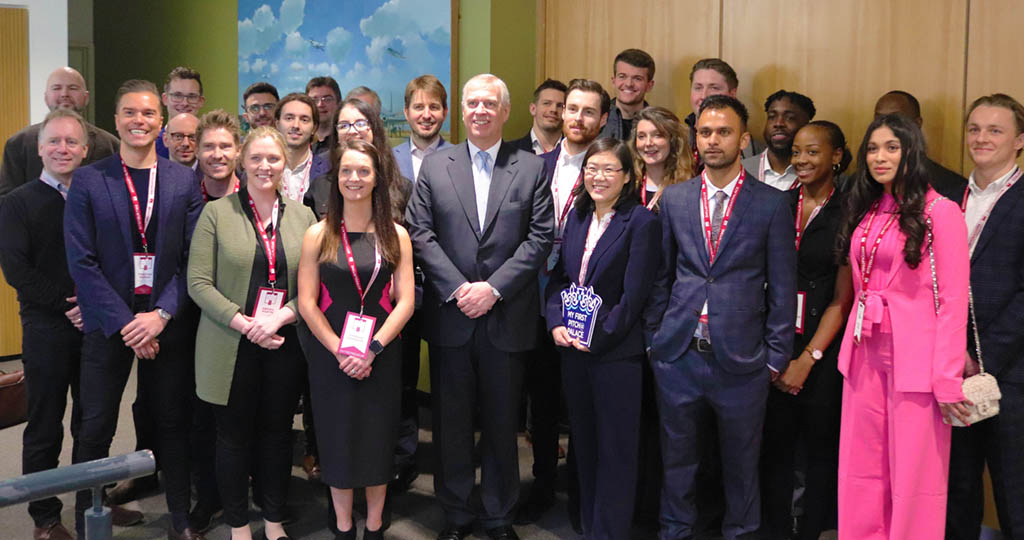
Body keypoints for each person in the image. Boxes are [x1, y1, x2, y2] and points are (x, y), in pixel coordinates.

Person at [405, 73, 554, 540]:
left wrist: (493, 289)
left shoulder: (530, 166)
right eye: (472, 103)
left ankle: (497, 515)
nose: (480, 110)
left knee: (501, 424)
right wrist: (459, 289)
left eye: (490, 103)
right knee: (450, 426)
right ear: (461, 110)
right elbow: (420, 232)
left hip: (506, 318)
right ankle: (456, 514)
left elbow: (540, 237)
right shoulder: (436, 165)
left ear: (506, 111)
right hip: (452, 318)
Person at [646, 94, 796, 540]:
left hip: (743, 362)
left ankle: (741, 533)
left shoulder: (772, 204)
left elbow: (784, 289)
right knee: (677, 461)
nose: (713, 141)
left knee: (741, 464)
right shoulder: (674, 199)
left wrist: (774, 358)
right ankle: (675, 532)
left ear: (743, 139)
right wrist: (656, 340)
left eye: (724, 132)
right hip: (678, 355)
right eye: (706, 132)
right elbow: (661, 277)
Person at [64, 79, 203, 540]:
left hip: (167, 324)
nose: (138, 121)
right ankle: (88, 517)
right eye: (129, 113)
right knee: (95, 425)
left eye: (147, 113)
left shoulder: (185, 180)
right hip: (110, 325)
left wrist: (160, 315)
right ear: (115, 119)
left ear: (160, 121)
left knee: (171, 422)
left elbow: (192, 261)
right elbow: (81, 261)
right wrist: (129, 324)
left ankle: (180, 519)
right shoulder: (88, 179)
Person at [834, 114, 971, 539]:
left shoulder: (941, 211)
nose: (880, 157)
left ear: (911, 151)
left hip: (916, 359)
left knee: (916, 477)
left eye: (891, 147)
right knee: (861, 470)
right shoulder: (870, 207)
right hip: (864, 350)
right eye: (873, 148)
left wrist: (947, 379)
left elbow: (952, 301)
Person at [187, 126, 317, 540]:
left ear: (285, 165)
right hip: (231, 344)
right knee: (233, 438)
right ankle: (239, 525)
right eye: (256, 158)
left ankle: (274, 521)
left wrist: (277, 319)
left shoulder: (303, 216)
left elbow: (313, 289)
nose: (265, 166)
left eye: (273, 159)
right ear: (242, 161)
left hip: (283, 343)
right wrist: (246, 323)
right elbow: (198, 283)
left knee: (278, 436)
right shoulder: (216, 214)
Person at [296, 138, 415, 540]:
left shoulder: (396, 235)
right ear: (336, 178)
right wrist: (341, 350)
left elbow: (406, 302)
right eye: (347, 170)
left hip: (380, 357)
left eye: (364, 171)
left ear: (378, 178)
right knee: (337, 439)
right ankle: (344, 527)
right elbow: (308, 303)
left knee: (378, 440)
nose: (355, 178)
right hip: (331, 358)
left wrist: (372, 348)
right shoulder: (318, 234)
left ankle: (376, 525)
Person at [544, 138, 661, 540]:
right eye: (592, 168)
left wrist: (597, 337)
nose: (598, 176)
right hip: (572, 350)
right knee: (585, 442)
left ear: (628, 176)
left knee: (616, 450)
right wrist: (556, 322)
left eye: (609, 169)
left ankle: (609, 531)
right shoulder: (577, 217)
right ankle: (588, 522)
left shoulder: (642, 222)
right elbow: (560, 278)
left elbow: (634, 298)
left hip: (615, 355)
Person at [516, 78, 609, 526]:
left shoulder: (610, 167)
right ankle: (541, 484)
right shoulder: (535, 165)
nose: (577, 118)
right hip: (532, 297)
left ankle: (581, 491)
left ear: (603, 120)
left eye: (588, 112)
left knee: (582, 399)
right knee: (543, 396)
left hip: (584, 299)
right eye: (572, 109)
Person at [0, 109, 92, 540]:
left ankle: (94, 504)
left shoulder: (96, 196)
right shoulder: (17, 203)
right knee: (45, 424)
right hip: (46, 331)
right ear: (39, 148)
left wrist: (91, 308)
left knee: (92, 424)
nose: (63, 149)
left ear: (85, 149)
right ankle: (44, 517)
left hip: (94, 328)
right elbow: (17, 270)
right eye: (54, 141)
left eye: (72, 142)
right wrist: (68, 305)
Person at [759, 121, 853, 539]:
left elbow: (842, 298)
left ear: (836, 156)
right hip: (778, 340)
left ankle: (815, 528)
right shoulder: (779, 203)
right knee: (774, 447)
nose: (801, 160)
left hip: (824, 347)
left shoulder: (851, 209)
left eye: (813, 152)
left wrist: (808, 359)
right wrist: (780, 353)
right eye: (796, 151)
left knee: (819, 450)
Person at [946, 93, 1024, 540]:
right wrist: (951, 356)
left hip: (1011, 375)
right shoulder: (945, 197)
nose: (981, 138)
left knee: (1014, 493)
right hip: (949, 373)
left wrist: (980, 355)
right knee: (956, 493)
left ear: (1018, 141)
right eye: (974, 128)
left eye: (995, 130)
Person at [0, 66, 119, 197]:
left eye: (73, 88)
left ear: (86, 97)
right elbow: (6, 201)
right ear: (46, 97)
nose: (64, 94)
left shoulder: (110, 145)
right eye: (56, 88)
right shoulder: (19, 143)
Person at [307, 98, 412, 223]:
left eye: (361, 123)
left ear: (374, 129)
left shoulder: (402, 187)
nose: (352, 131)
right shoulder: (319, 187)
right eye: (344, 125)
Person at [873, 90, 968, 203]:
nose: (885, 127)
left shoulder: (951, 186)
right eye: (879, 119)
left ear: (917, 123)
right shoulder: (861, 183)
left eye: (896, 120)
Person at [685, 59, 763, 173]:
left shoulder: (754, 150)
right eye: (698, 88)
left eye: (714, 88)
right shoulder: (674, 140)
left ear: (732, 93)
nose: (704, 95)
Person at [741, 90, 815, 191]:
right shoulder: (740, 170)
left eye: (790, 118)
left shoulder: (823, 176)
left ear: (807, 126)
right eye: (772, 117)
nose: (778, 123)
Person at [630, 106, 696, 211]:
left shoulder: (689, 188)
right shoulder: (628, 185)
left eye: (657, 135)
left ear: (673, 140)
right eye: (641, 136)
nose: (648, 143)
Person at [393, 74, 451, 181]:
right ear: (406, 113)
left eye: (434, 107)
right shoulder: (389, 160)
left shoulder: (461, 160)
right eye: (418, 107)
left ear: (445, 112)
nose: (426, 115)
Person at [274, 92, 329, 202]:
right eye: (289, 118)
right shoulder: (263, 169)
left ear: (314, 128)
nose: (296, 125)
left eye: (304, 120)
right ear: (277, 124)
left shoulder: (329, 169)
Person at [599, 49, 655, 141]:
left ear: (649, 85)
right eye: (622, 76)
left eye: (637, 78)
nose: (629, 84)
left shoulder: (660, 125)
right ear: (614, 81)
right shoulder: (597, 119)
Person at [157, 67, 205, 158]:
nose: (185, 103)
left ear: (201, 101)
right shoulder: (151, 148)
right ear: (165, 99)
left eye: (192, 96)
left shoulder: (211, 146)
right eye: (177, 96)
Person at [196, 109, 244, 201]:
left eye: (225, 146)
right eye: (209, 146)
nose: (217, 155)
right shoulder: (186, 200)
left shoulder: (254, 199)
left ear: (238, 151)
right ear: (197, 151)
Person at [510, 79, 567, 155]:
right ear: (533, 109)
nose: (553, 109)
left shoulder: (579, 153)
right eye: (547, 103)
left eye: (560, 106)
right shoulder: (509, 152)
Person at [307, 76, 342, 156]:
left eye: (327, 99)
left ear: (338, 103)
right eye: (314, 100)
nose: (320, 104)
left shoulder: (345, 142)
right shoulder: (300, 142)